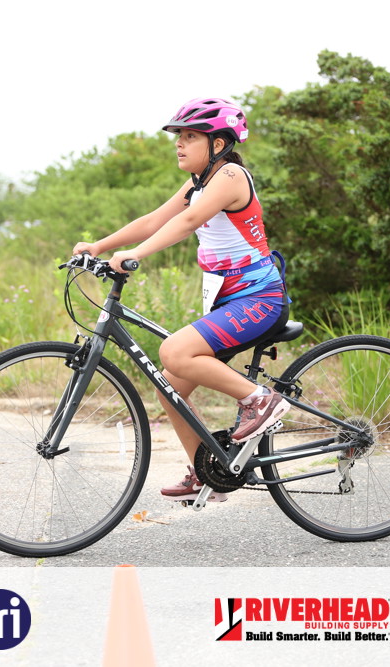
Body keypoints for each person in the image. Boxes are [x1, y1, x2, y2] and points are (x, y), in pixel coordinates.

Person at [72, 97, 291, 504]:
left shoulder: (230, 176)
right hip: (230, 304)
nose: (180, 143)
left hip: (259, 300)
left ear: (218, 144)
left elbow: (188, 221)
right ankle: (208, 473)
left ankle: (260, 400)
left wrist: (136, 255)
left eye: (191, 136)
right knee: (169, 384)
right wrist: (99, 246)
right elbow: (155, 220)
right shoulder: (199, 183)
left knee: (173, 352)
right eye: (179, 136)